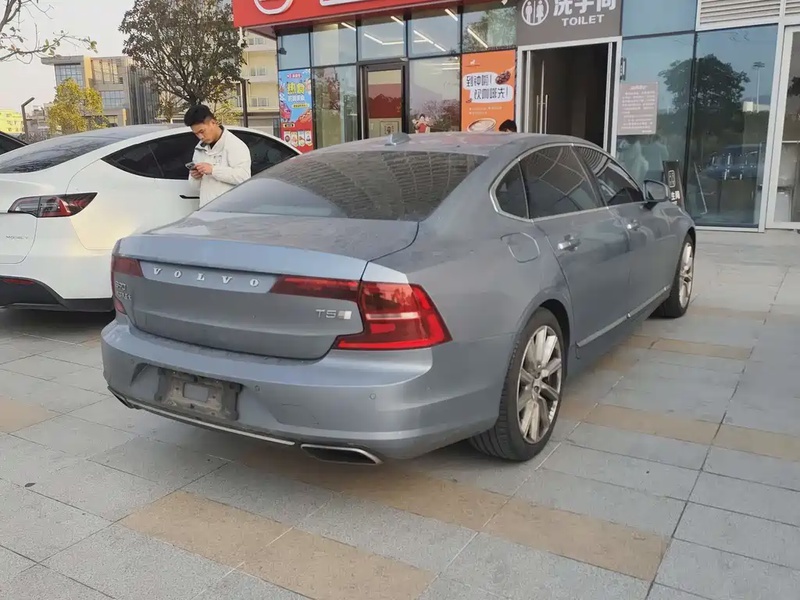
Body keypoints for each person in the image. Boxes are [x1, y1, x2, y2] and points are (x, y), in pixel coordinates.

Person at [184, 104, 252, 207]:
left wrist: (213, 170)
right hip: (206, 209)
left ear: (213, 122)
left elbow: (244, 177)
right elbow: (195, 188)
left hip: (230, 210)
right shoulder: (199, 148)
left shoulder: (234, 145)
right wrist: (195, 177)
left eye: (202, 131)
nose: (200, 137)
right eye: (196, 134)